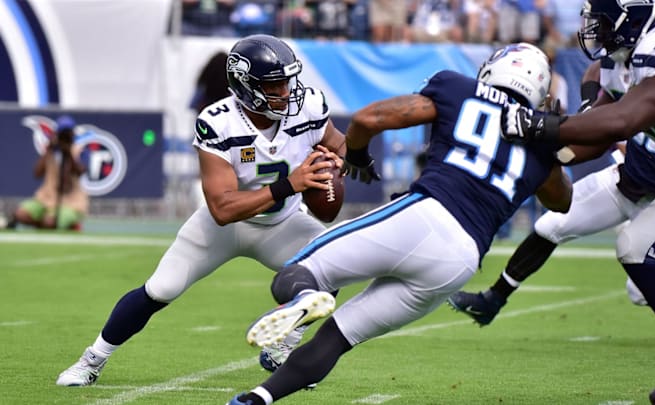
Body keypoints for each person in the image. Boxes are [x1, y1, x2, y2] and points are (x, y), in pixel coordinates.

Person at [226, 42, 573, 405]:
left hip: (425, 216)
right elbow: (561, 200)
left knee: (299, 271)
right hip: (461, 261)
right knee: (338, 337)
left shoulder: (458, 87)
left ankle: (305, 296)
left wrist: (357, 155)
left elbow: (367, 120)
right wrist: (551, 141)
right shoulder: (541, 142)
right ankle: (258, 399)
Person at [56, 34, 347, 387]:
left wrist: (339, 162)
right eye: (275, 85)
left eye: (287, 81)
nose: (287, 92)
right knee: (160, 289)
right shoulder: (218, 121)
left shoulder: (308, 106)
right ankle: (92, 360)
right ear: (246, 85)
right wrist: (291, 184)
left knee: (335, 263)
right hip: (224, 227)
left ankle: (284, 344)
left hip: (283, 224)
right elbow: (223, 209)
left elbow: (337, 143)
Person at [500, 1, 655, 403]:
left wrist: (541, 126)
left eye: (599, 21)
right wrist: (548, 151)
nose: (592, 30)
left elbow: (623, 121)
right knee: (637, 248)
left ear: (630, 16)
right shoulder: (626, 59)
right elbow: (597, 133)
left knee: (639, 246)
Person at [8, 115, 88, 231]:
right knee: (20, 214)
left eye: (67, 133)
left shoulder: (79, 150)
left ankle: (64, 223)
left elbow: (78, 173)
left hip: (71, 201)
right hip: (46, 198)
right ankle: (50, 223)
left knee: (49, 222)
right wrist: (49, 149)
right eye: (62, 133)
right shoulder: (51, 150)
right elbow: (37, 173)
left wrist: (68, 153)